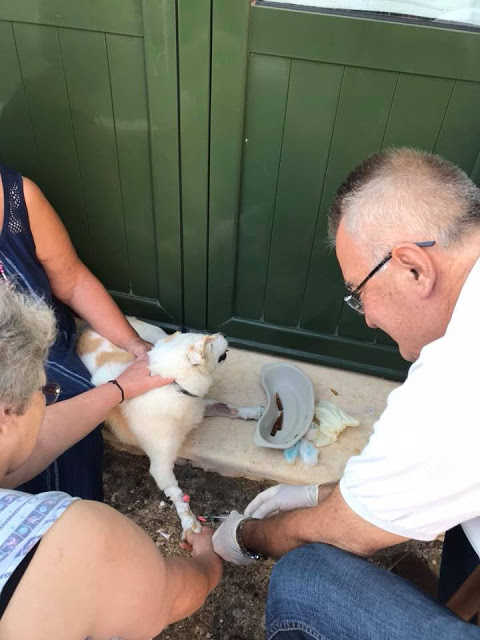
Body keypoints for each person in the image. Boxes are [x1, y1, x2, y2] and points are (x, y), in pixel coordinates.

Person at [212, 148, 480, 639]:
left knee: (306, 578)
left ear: (414, 268)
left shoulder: (458, 375)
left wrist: (247, 537)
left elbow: (347, 532)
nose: (369, 318)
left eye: (359, 293)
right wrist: (322, 492)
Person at [0, 280, 222, 638]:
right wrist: (209, 561)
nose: (49, 398)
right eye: (45, 389)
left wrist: (120, 389)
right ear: (5, 414)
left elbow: (28, 449)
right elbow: (168, 596)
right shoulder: (70, 537)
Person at [0, 162, 153, 500]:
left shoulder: (17, 198)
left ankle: (73, 510)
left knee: (66, 398)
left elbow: (72, 281)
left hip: (41, 351)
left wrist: (132, 343)